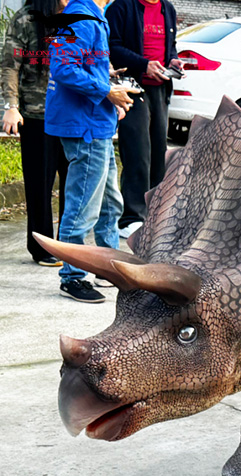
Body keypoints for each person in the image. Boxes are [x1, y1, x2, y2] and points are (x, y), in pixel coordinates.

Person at [45, 0, 139, 303]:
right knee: (82, 204)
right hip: (84, 126)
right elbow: (63, 69)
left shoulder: (95, 16)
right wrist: (106, 90)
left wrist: (108, 80)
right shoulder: (80, 17)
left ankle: (108, 267)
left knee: (110, 202)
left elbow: (83, 64)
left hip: (97, 123)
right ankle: (72, 276)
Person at [1, 0, 70, 267]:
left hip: (71, 115)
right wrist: (12, 106)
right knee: (40, 184)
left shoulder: (76, 17)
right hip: (35, 114)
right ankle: (42, 247)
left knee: (72, 183)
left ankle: (67, 244)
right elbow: (9, 64)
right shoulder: (26, 19)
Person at [106, 0, 181, 239]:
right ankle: (131, 217)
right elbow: (112, 47)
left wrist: (173, 61)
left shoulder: (167, 8)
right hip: (132, 89)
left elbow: (171, 46)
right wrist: (143, 64)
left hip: (160, 89)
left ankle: (154, 215)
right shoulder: (122, 7)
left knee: (159, 152)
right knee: (137, 152)